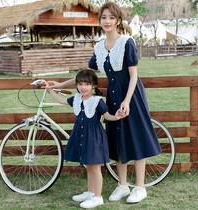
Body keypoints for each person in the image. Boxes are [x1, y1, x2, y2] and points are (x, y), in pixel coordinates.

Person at [46, 1, 162, 204]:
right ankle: (123, 185)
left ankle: (140, 187)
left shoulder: (127, 43)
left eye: (111, 17)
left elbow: (134, 76)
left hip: (131, 97)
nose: (107, 21)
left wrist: (127, 101)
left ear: (118, 21)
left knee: (135, 138)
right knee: (117, 139)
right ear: (99, 21)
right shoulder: (99, 48)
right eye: (103, 17)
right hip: (113, 98)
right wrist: (60, 84)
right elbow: (86, 76)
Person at [45, 69, 123, 209]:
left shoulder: (97, 101)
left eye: (86, 84)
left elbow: (107, 116)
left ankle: (97, 197)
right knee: (88, 166)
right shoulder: (76, 99)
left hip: (94, 138)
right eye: (80, 84)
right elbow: (62, 100)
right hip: (82, 136)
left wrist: (116, 117)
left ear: (93, 85)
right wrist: (50, 90)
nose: (83, 87)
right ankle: (90, 192)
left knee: (95, 168)